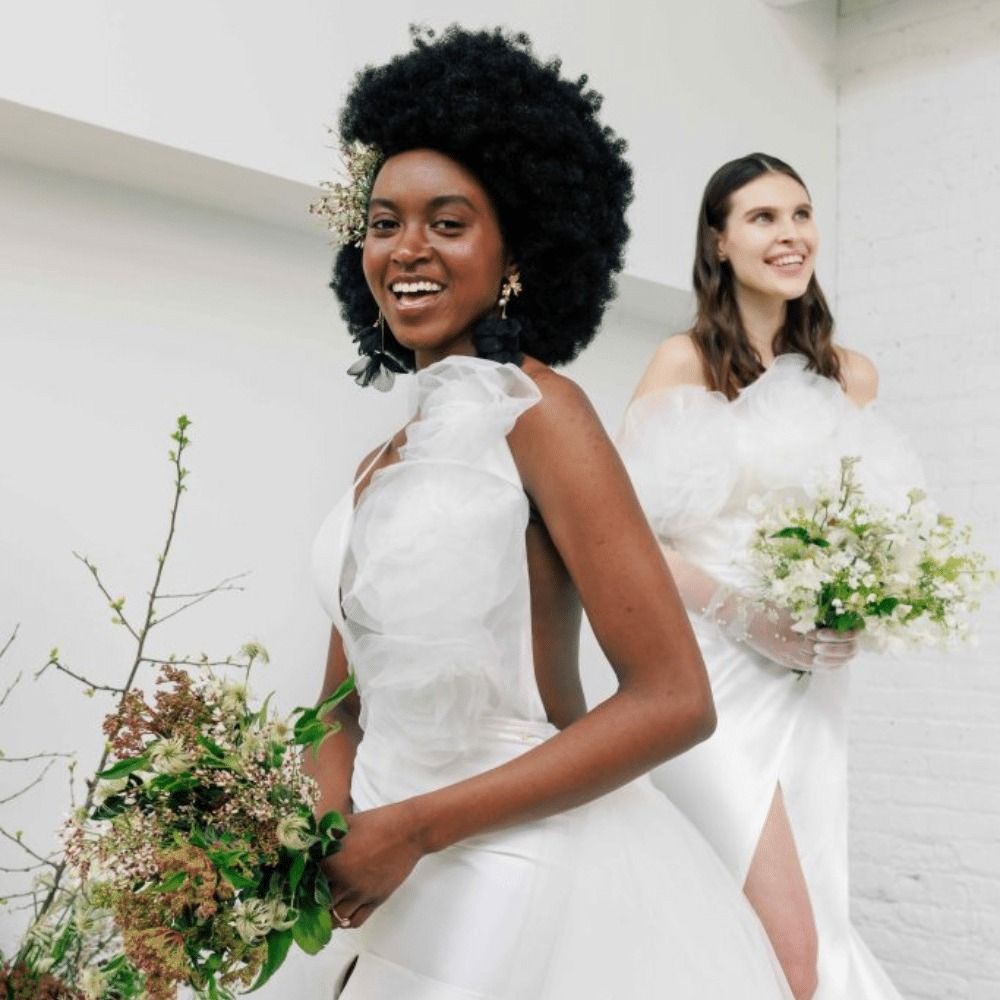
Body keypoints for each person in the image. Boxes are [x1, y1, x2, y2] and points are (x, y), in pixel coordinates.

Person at [307, 28, 792, 999]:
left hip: (514, 875)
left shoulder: (543, 416)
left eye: (448, 222)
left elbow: (671, 700)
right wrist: (311, 830)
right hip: (387, 877)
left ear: (515, 247)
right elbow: (341, 703)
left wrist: (413, 826)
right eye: (384, 220)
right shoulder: (379, 465)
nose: (407, 248)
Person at [619, 153, 922, 1000]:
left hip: (809, 685)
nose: (789, 235)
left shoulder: (849, 375)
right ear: (718, 241)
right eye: (762, 218)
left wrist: (857, 601)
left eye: (800, 214)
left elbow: (859, 524)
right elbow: (621, 539)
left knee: (811, 923)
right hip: (705, 678)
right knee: (788, 955)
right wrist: (745, 615)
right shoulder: (684, 361)